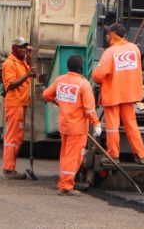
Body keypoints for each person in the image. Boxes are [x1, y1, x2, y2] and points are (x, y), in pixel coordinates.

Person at [91, 23, 144, 165]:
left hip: (113, 95)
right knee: (131, 124)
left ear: (113, 33)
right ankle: (141, 155)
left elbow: (98, 75)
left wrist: (95, 74)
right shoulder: (134, 49)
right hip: (130, 94)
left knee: (113, 126)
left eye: (108, 33)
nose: (106, 36)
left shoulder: (110, 52)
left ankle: (113, 155)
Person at [42, 54, 102, 196]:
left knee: (65, 155)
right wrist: (96, 123)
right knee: (73, 157)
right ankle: (66, 186)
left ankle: (63, 182)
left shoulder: (60, 81)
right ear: (81, 68)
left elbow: (46, 95)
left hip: (64, 125)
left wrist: (59, 102)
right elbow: (89, 109)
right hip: (77, 128)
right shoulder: (83, 84)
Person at [1, 37, 37, 179]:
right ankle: (8, 170)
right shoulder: (10, 63)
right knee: (12, 138)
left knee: (18, 138)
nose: (23, 50)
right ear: (14, 48)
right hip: (14, 104)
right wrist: (28, 74)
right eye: (21, 47)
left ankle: (11, 168)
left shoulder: (22, 63)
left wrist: (29, 59)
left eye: (25, 47)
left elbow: (30, 74)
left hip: (22, 104)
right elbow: (10, 85)